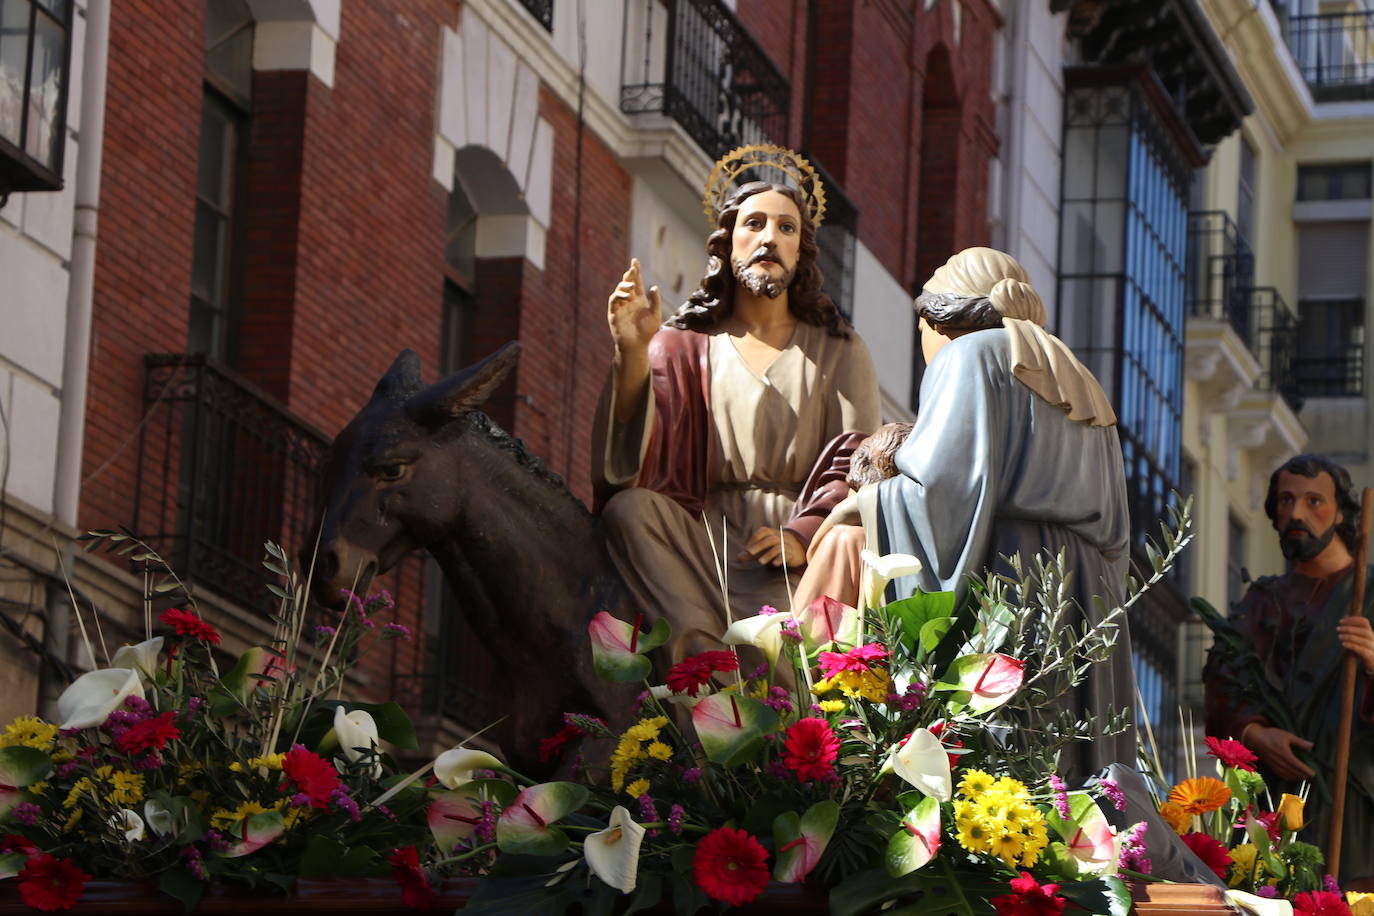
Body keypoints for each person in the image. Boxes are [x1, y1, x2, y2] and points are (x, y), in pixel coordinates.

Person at [852, 247, 1136, 774]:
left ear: (939, 319)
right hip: (1089, 596)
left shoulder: (970, 356)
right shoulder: (1084, 383)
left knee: (1000, 774)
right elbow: (1118, 537)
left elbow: (942, 492)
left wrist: (865, 503)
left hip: (1008, 575)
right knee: (1071, 783)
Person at [593, 152, 879, 664]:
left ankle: (805, 677)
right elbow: (630, 468)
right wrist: (633, 352)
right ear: (728, 245)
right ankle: (701, 653)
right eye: (755, 223)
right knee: (627, 511)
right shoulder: (681, 346)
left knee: (853, 537)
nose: (769, 237)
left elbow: (861, 460)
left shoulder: (839, 348)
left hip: (800, 549)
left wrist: (803, 534)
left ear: (801, 251)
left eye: (786, 227)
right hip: (703, 544)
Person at [1203, 455, 1374, 888]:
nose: (1296, 513)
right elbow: (1224, 687)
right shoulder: (1261, 601)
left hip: (1355, 798)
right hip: (1273, 798)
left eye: (1313, 500)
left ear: (1341, 513)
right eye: (1286, 501)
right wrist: (1255, 734)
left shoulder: (1368, 594)